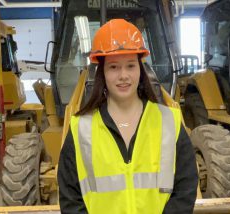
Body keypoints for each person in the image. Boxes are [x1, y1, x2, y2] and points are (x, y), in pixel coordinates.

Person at [57, 19, 198, 214]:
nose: (123, 75)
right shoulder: (82, 128)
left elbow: (185, 188)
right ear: (102, 73)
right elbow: (70, 197)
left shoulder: (168, 122)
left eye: (130, 66)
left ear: (141, 70)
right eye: (114, 67)